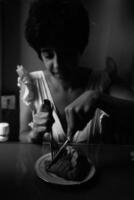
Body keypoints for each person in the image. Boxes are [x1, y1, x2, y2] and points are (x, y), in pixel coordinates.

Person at [18, 0, 134, 145]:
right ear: (39, 53)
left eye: (66, 54)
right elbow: (22, 135)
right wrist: (33, 135)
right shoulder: (31, 84)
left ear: (80, 49)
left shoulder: (102, 81)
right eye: (48, 55)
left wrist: (99, 99)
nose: (58, 64)